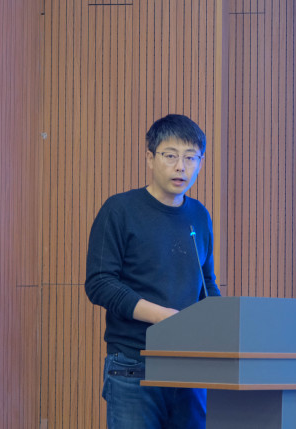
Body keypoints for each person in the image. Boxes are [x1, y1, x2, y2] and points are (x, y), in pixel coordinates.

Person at [85, 114, 221, 429]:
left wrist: (220, 323)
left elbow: (206, 282)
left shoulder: (199, 215)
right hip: (133, 363)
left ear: (200, 163)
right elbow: (100, 283)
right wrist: (163, 317)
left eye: (190, 158)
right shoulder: (120, 210)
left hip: (189, 364)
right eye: (170, 156)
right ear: (150, 158)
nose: (181, 167)